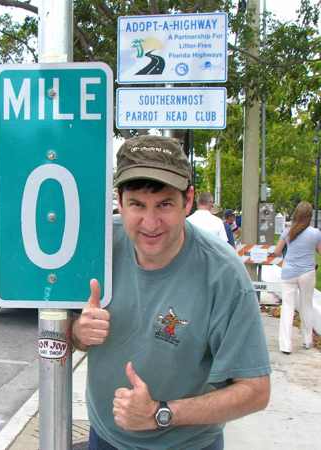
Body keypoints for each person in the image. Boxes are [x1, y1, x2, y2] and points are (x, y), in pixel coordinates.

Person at [72, 135, 271, 450]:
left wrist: (160, 413)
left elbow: (256, 390)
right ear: (120, 201)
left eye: (164, 204)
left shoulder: (224, 275)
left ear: (188, 201)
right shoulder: (98, 247)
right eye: (137, 204)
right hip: (105, 440)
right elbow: (62, 336)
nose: (150, 223)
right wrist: (78, 332)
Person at [273, 201, 321, 354]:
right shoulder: (315, 233)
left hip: (289, 273)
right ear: (310, 216)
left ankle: (285, 345)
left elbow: (277, 251)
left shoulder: (288, 231)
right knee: (306, 305)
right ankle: (307, 341)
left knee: (287, 307)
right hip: (307, 272)